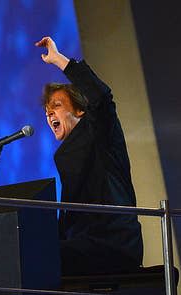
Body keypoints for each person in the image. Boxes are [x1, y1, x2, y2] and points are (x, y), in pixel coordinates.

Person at [36, 36, 143, 276]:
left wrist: (59, 60)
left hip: (112, 242)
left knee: (40, 261)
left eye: (57, 106)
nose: (49, 113)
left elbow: (102, 99)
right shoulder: (68, 154)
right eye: (46, 111)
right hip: (85, 243)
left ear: (80, 110)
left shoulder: (99, 131)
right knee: (33, 256)